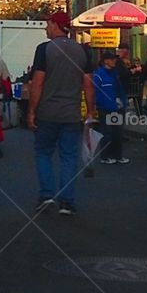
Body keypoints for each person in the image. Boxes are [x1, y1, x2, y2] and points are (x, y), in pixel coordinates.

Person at [27, 11, 95, 216]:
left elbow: (37, 82)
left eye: (48, 24)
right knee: (68, 157)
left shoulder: (44, 50)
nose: (46, 28)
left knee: (43, 153)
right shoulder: (83, 51)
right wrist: (91, 111)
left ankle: (47, 195)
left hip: (47, 113)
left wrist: (31, 111)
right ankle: (67, 201)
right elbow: (88, 85)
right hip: (72, 114)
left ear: (56, 25)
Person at [93, 50, 129, 164]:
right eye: (112, 59)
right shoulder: (99, 75)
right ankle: (105, 156)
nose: (115, 61)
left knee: (117, 133)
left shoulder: (115, 73)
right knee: (107, 133)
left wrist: (123, 101)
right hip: (105, 108)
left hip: (116, 108)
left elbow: (119, 89)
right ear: (106, 61)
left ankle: (117, 155)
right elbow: (96, 92)